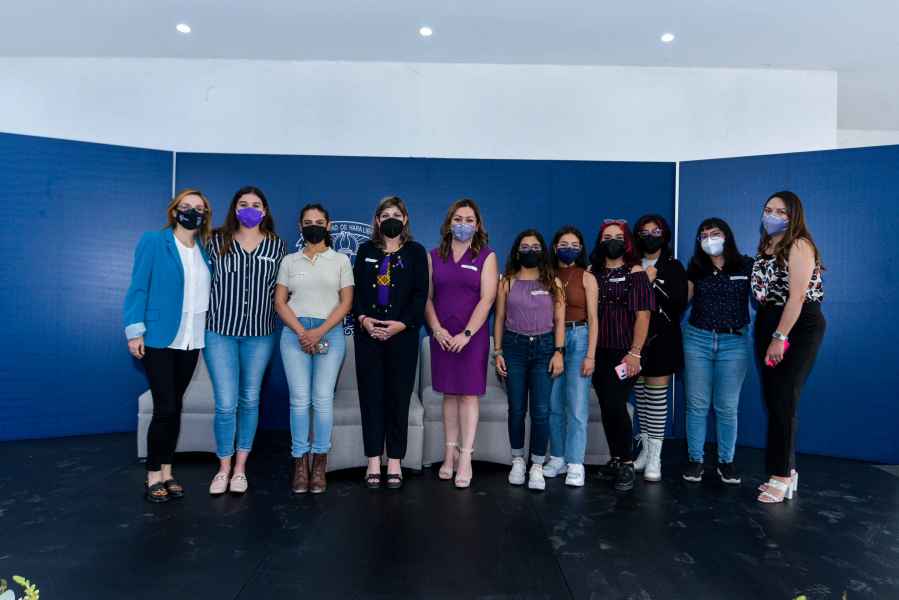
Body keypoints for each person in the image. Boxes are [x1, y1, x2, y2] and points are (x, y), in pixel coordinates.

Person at [124, 189, 213, 503]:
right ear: (174, 210)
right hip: (159, 337)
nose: (192, 212)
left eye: (199, 208)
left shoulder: (205, 250)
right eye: (186, 206)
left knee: (175, 406)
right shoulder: (153, 241)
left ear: (205, 215)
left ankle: (167, 471)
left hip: (192, 340)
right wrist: (135, 332)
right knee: (165, 408)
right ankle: (152, 475)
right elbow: (138, 288)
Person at [205, 186, 286, 496]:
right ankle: (223, 468)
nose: (249, 209)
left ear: (264, 211)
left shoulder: (277, 246)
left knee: (249, 399)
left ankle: (240, 468)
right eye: (243, 204)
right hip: (219, 332)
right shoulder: (216, 241)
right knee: (226, 403)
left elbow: (283, 291)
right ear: (234, 209)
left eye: (255, 204)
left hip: (260, 335)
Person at [274, 203, 354, 495]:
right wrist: (302, 332)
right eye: (308, 222)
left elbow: (346, 302)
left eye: (319, 222)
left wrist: (318, 332)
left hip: (329, 332)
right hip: (294, 333)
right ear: (300, 227)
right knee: (299, 400)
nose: (314, 226)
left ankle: (319, 462)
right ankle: (300, 461)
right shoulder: (289, 261)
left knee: (321, 399)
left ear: (328, 226)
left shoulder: (341, 260)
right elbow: (280, 302)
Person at [752, 191, 825, 503]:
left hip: (797, 325)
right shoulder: (767, 246)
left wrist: (780, 337)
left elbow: (796, 298)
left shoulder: (799, 245)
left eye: (780, 211)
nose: (772, 215)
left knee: (784, 397)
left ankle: (782, 475)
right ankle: (785, 470)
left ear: (793, 215)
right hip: (767, 321)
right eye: (768, 209)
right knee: (773, 399)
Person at [352, 196, 428, 490]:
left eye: (396, 214)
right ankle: (373, 460)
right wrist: (363, 319)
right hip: (368, 336)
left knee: (398, 399)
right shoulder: (366, 250)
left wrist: (401, 324)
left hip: (403, 336)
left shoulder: (416, 252)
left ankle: (395, 460)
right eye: (385, 215)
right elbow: (355, 293)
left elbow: (420, 295)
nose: (391, 219)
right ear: (377, 220)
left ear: (405, 219)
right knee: (371, 399)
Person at [425, 198, 498, 489]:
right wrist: (437, 329)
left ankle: (466, 457)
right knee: (449, 395)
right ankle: (449, 454)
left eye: (469, 220)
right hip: (442, 337)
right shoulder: (433, 256)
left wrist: (466, 334)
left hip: (472, 338)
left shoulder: (487, 256)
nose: (463, 225)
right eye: (458, 219)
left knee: (468, 395)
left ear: (477, 225)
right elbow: (426, 298)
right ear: (449, 223)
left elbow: (487, 299)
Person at [682, 218, 754, 485]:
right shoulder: (696, 267)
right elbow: (682, 300)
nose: (709, 239)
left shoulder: (746, 265)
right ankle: (695, 460)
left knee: (727, 406)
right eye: (703, 235)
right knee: (697, 405)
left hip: (733, 342)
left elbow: (764, 294)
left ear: (727, 236)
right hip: (697, 339)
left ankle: (726, 462)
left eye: (714, 233)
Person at [494, 229, 565, 490]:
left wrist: (559, 352)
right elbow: (499, 319)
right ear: (516, 252)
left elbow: (559, 321)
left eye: (535, 247)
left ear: (543, 251)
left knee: (541, 411)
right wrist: (498, 352)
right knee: (516, 409)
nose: (530, 251)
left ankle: (536, 464)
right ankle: (517, 461)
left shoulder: (553, 282)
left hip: (545, 349)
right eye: (525, 247)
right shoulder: (507, 282)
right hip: (514, 348)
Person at [589, 220, 655, 492]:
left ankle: (627, 461)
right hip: (598, 351)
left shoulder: (636, 273)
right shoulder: (592, 272)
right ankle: (616, 458)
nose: (612, 241)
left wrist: (635, 352)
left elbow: (643, 315)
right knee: (606, 405)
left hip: (626, 352)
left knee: (617, 404)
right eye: (607, 237)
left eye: (618, 236)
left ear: (626, 242)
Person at [631, 215, 687, 482]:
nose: (650, 236)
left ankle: (656, 457)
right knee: (640, 395)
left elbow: (678, 303)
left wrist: (649, 283)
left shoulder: (674, 267)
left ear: (665, 236)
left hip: (662, 341)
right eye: (645, 232)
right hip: (633, 341)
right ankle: (645, 450)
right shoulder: (630, 266)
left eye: (656, 232)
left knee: (655, 397)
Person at [544, 226, 598, 487]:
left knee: (576, 405)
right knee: (554, 404)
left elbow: (595, 319)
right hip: (552, 339)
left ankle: (576, 463)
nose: (569, 248)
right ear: (555, 248)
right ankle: (558, 458)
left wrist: (591, 355)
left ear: (581, 249)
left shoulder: (587, 277)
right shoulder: (546, 275)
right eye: (564, 244)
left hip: (580, 337)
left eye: (574, 245)